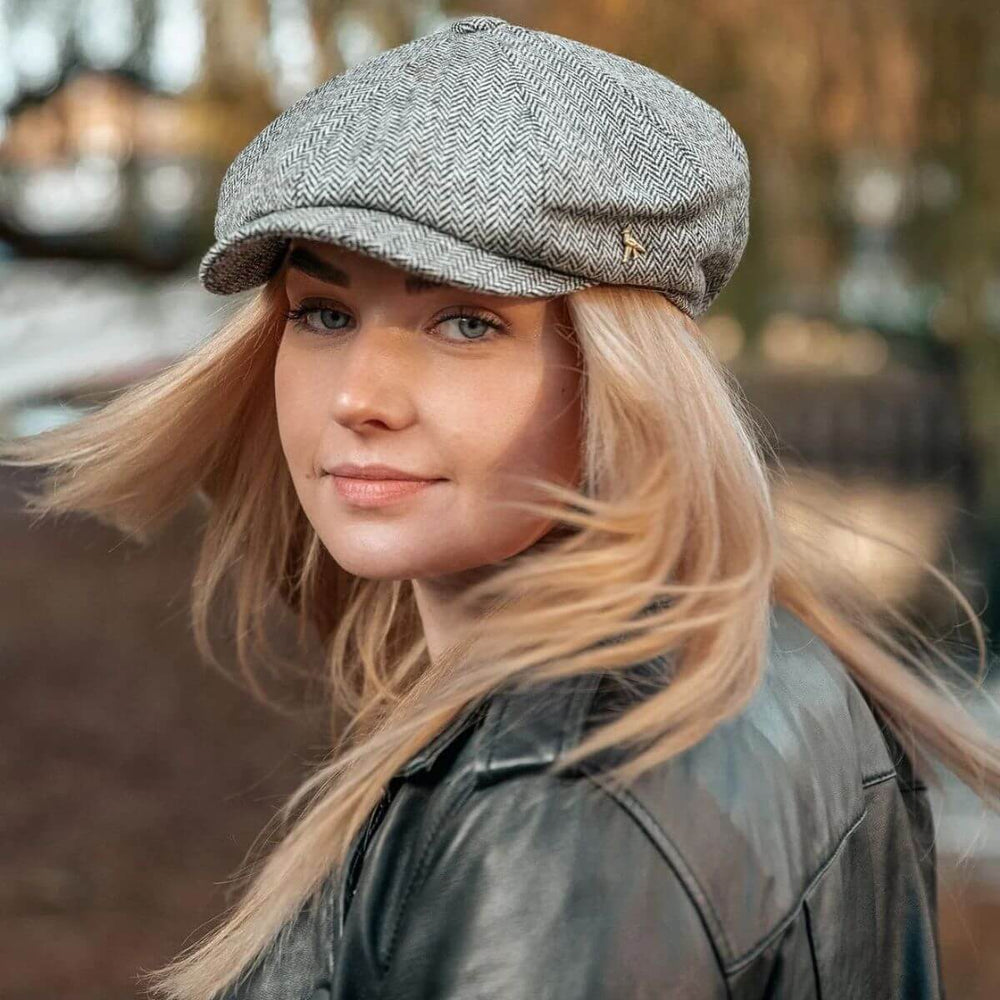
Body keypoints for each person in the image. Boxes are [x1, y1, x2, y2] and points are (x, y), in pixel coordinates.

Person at [3, 14, 999, 1000]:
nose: (359, 397)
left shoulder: (555, 809)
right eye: (323, 312)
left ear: (621, 376)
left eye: (467, 322)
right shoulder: (762, 661)